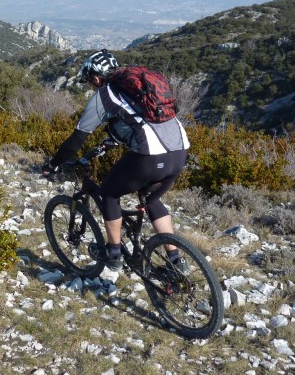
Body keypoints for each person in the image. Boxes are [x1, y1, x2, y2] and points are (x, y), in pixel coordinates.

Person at [42, 49, 191, 273]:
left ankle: (113, 253)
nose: (91, 87)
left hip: (148, 155)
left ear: (96, 78)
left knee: (110, 194)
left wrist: (52, 164)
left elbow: (76, 140)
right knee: (151, 200)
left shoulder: (105, 94)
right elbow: (132, 123)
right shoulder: (136, 90)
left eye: (90, 82)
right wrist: (106, 143)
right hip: (180, 151)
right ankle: (176, 260)